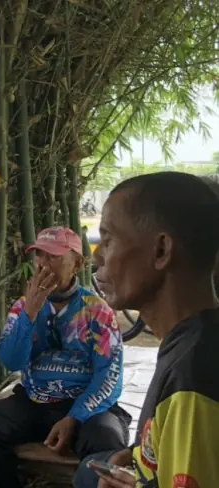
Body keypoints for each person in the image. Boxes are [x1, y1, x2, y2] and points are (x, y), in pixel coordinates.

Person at [75, 172, 219, 488]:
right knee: (89, 469)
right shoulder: (191, 340)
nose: (96, 257)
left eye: (108, 239)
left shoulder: (192, 375)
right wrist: (141, 454)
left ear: (161, 251)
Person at [0, 226, 130, 488]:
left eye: (54, 257)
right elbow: (11, 361)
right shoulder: (22, 306)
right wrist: (29, 314)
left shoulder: (97, 311)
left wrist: (74, 417)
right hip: (35, 402)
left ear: (77, 264)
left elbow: (109, 379)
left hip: (87, 407)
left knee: (106, 439)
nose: (43, 264)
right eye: (39, 256)